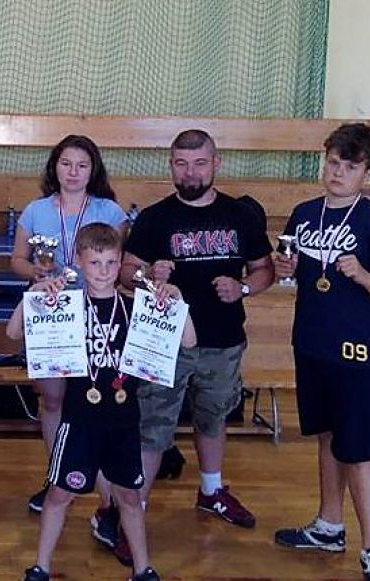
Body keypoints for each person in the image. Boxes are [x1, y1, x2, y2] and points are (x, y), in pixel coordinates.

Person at [7, 224, 195, 581]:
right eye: (95, 263)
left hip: (124, 421)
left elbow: (189, 340)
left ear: (121, 261)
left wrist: (176, 299)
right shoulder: (66, 305)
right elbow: (12, 332)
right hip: (79, 421)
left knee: (130, 498)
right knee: (59, 495)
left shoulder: (136, 305)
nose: (104, 271)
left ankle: (143, 572)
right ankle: (40, 570)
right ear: (79, 261)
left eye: (111, 262)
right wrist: (34, 296)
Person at [119, 129, 274, 536]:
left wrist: (242, 288)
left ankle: (211, 490)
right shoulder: (155, 217)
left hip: (222, 340)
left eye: (200, 163)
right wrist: (147, 275)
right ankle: (134, 513)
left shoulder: (240, 215)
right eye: (181, 164)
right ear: (171, 165)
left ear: (216, 163)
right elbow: (125, 272)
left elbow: (264, 269)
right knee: (153, 426)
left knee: (213, 417)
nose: (190, 173)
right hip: (164, 342)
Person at [272, 123, 370, 581]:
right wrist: (285, 268)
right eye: (332, 163)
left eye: (350, 166)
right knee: (327, 435)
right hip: (312, 345)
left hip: (356, 352)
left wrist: (365, 276)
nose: (338, 173)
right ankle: (329, 525)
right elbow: (292, 272)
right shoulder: (305, 214)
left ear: (366, 172)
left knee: (358, 450)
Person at [9, 134, 129, 513]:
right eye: (66, 163)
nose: (73, 172)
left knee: (100, 399)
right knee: (53, 399)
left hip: (97, 312)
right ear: (54, 167)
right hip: (51, 313)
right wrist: (37, 272)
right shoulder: (36, 210)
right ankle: (57, 477)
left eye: (82, 165)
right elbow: (17, 260)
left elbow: (119, 264)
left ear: (93, 170)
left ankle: (107, 496)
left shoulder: (110, 211)